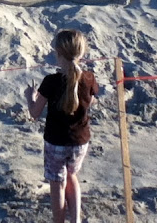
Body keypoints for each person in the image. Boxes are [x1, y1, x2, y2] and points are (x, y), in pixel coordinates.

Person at [24, 29, 99, 223]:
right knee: (72, 175)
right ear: (81, 53)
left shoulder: (51, 81)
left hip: (56, 142)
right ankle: (75, 220)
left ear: (58, 53)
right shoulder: (89, 78)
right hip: (80, 141)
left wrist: (29, 97)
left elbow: (34, 113)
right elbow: (89, 103)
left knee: (57, 183)